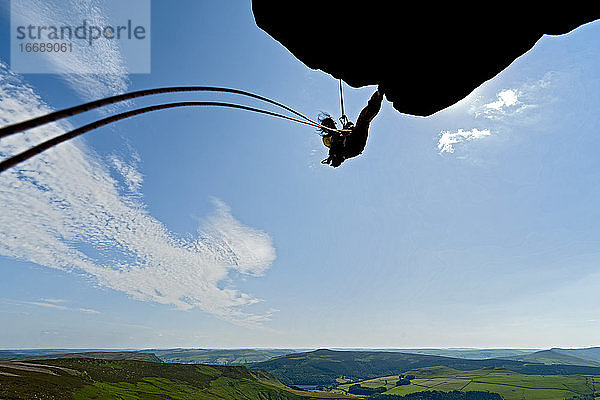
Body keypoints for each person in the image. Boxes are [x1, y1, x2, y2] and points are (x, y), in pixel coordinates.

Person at [319, 86, 384, 167]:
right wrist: (333, 156)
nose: (333, 124)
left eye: (332, 123)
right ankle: (378, 95)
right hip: (353, 147)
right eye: (330, 124)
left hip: (353, 140)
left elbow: (349, 129)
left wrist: (348, 127)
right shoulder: (328, 139)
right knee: (363, 121)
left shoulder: (340, 132)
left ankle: (378, 95)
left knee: (363, 118)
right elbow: (334, 146)